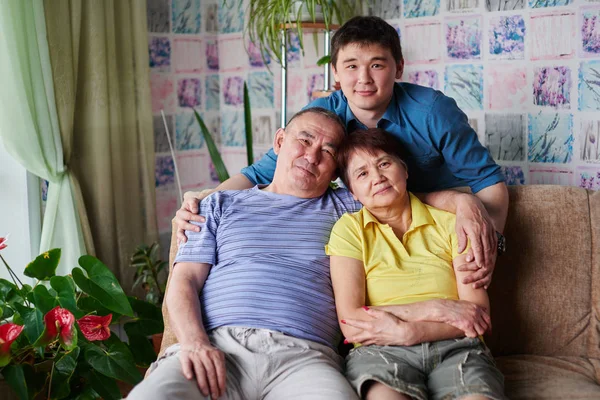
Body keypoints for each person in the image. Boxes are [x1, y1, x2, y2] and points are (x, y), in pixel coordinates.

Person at [128, 109, 494, 400]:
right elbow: (183, 282)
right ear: (280, 141)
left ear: (336, 170)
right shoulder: (218, 204)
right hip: (216, 344)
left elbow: (398, 193)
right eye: (304, 140)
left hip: (304, 357)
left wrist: (463, 201)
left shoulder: (345, 206)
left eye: (328, 151)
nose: (312, 155)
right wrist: (194, 343)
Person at [174, 15, 508, 290]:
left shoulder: (434, 111)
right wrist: (198, 205)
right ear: (335, 72)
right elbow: (257, 175)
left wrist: (490, 239)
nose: (363, 78)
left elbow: (488, 181)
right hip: (374, 232)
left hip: (435, 228)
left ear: (399, 67)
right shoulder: (322, 122)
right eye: (350, 66)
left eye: (377, 65)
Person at [326, 128, 506, 400]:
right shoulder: (349, 230)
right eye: (362, 173)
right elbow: (351, 322)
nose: (377, 177)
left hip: (457, 348)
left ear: (405, 170)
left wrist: (412, 331)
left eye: (384, 163)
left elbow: (478, 316)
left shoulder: (451, 223)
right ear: (352, 193)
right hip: (381, 349)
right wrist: (437, 307)